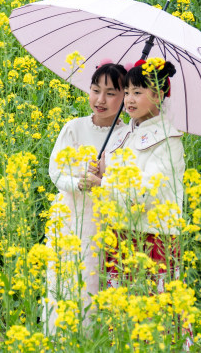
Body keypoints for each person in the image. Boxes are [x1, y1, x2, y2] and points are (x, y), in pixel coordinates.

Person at [82, 57, 186, 292]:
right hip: (119, 232)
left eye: (137, 92)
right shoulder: (123, 135)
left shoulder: (168, 140)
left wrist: (102, 184)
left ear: (158, 96)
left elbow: (147, 193)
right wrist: (100, 170)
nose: (128, 99)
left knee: (154, 313)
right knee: (121, 314)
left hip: (152, 237)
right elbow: (114, 176)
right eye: (127, 91)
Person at [43, 62, 128, 336]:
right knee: (62, 277)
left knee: (93, 279)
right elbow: (55, 171)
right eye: (95, 90)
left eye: (111, 93)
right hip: (68, 216)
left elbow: (127, 183)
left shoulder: (125, 135)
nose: (100, 100)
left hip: (103, 218)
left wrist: (103, 179)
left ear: (126, 96)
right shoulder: (74, 127)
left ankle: (90, 341)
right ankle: (59, 339)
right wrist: (80, 183)